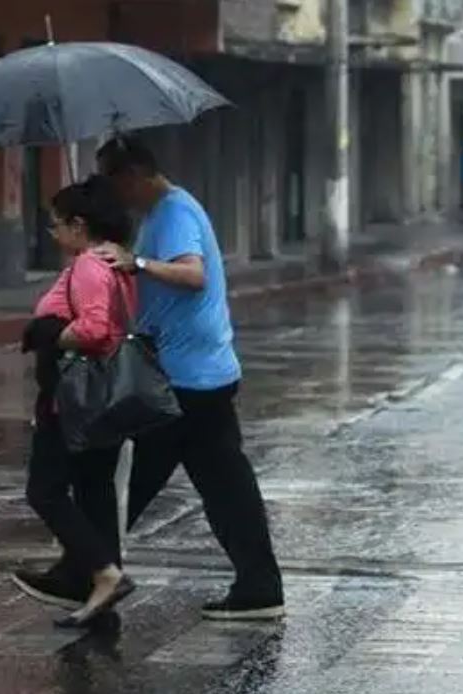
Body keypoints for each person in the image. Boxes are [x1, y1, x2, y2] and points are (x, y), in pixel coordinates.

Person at [94, 138, 285, 620]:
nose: (116, 198)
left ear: (133, 174)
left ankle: (89, 568)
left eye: (114, 185)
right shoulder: (162, 214)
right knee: (224, 487)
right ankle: (259, 588)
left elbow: (192, 274)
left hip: (186, 380)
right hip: (198, 375)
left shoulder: (174, 211)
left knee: (125, 476)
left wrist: (135, 262)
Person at [12, 177, 139, 627]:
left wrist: (46, 334)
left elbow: (95, 329)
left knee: (44, 490)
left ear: (78, 225)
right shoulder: (116, 266)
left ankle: (103, 572)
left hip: (74, 400)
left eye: (56, 224)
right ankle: (93, 583)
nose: (52, 233)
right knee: (94, 490)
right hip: (108, 398)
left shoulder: (89, 265)